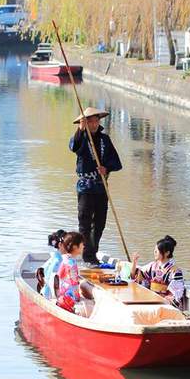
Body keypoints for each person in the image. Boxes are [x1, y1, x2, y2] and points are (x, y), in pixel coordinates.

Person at [68, 107, 122, 265]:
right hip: (85, 187)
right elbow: (73, 147)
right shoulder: (81, 138)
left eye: (96, 121)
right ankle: (87, 255)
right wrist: (80, 130)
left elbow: (116, 162)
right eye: (90, 121)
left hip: (101, 186)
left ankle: (93, 251)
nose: (94, 124)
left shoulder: (105, 139)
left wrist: (106, 168)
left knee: (100, 222)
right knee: (85, 222)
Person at [133, 235, 187, 309]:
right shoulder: (152, 266)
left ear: (167, 253)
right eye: (154, 250)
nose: (154, 252)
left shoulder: (175, 271)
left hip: (165, 306)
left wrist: (161, 301)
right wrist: (134, 263)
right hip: (152, 302)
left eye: (157, 250)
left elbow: (176, 296)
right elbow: (137, 277)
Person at [54, 231, 92, 314]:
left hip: (66, 295)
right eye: (82, 244)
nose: (84, 246)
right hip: (70, 298)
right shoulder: (70, 263)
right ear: (75, 247)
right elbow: (73, 281)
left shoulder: (66, 259)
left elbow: (60, 275)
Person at [40, 229, 67, 299]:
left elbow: (39, 272)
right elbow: (55, 280)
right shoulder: (59, 261)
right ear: (60, 245)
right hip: (52, 294)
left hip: (45, 291)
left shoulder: (55, 256)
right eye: (68, 244)